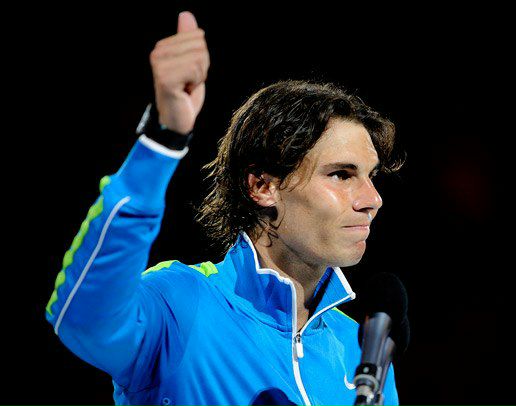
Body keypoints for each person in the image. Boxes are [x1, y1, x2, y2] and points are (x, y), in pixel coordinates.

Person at [45, 10, 404, 406]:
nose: (372, 199)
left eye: (371, 176)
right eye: (341, 175)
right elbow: (83, 319)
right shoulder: (180, 303)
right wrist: (162, 142)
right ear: (263, 186)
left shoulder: (362, 353)